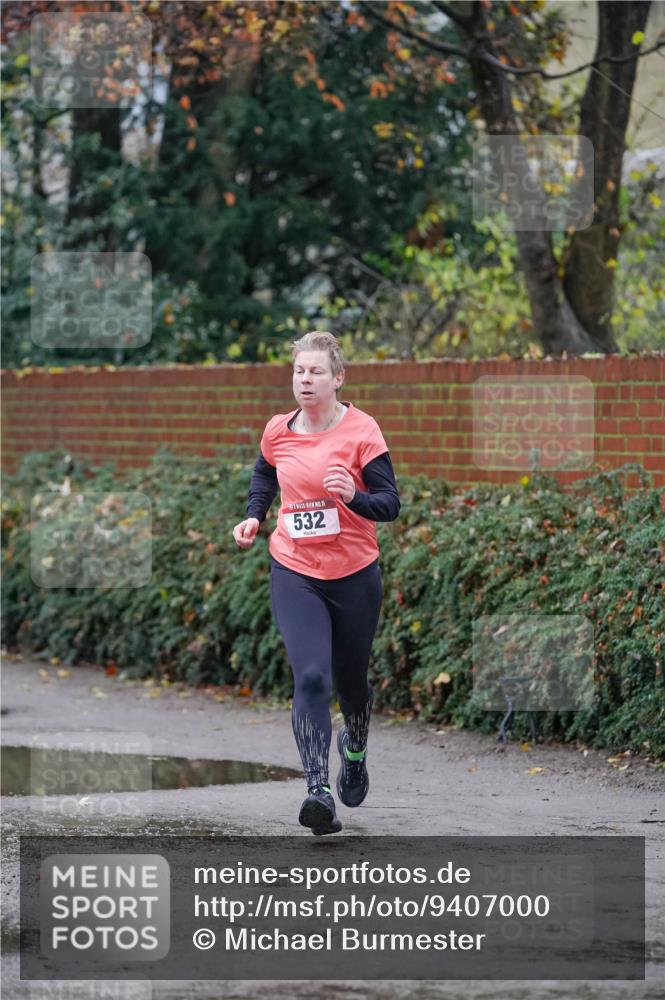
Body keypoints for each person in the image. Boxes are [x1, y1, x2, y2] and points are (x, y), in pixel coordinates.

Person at [232, 330, 401, 835]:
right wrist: (255, 515)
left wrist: (353, 495)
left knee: (351, 684)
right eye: (299, 371)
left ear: (338, 378)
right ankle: (317, 790)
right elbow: (265, 473)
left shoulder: (363, 431)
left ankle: (355, 750)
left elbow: (390, 504)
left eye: (316, 372)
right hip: (295, 569)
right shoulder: (277, 430)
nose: (305, 380)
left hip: (354, 574)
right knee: (310, 678)